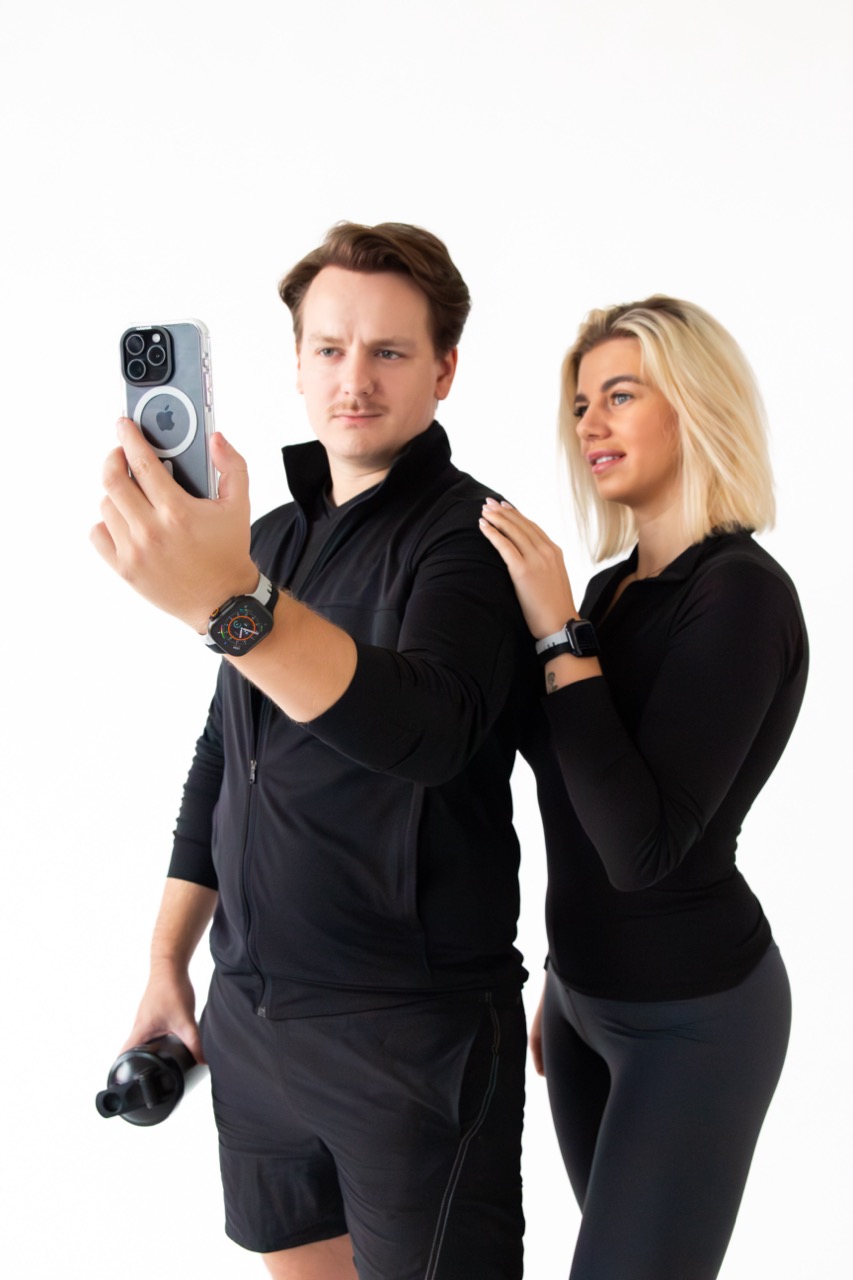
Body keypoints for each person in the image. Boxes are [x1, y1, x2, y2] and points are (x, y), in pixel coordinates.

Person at [91, 222, 539, 1280]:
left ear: (444, 369)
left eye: (389, 351)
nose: (355, 378)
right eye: (329, 348)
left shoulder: (471, 538)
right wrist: (166, 961)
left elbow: (426, 730)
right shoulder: (271, 541)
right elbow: (222, 759)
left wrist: (229, 606)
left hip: (410, 1035)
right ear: (295, 364)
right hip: (250, 1020)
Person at [479, 296, 808, 1280]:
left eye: (620, 395)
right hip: (579, 1004)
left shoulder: (740, 592)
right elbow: (574, 791)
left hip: (693, 1016)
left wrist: (554, 635)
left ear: (695, 404)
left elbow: (640, 846)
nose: (591, 422)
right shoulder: (610, 592)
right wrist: (560, 976)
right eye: (581, 403)